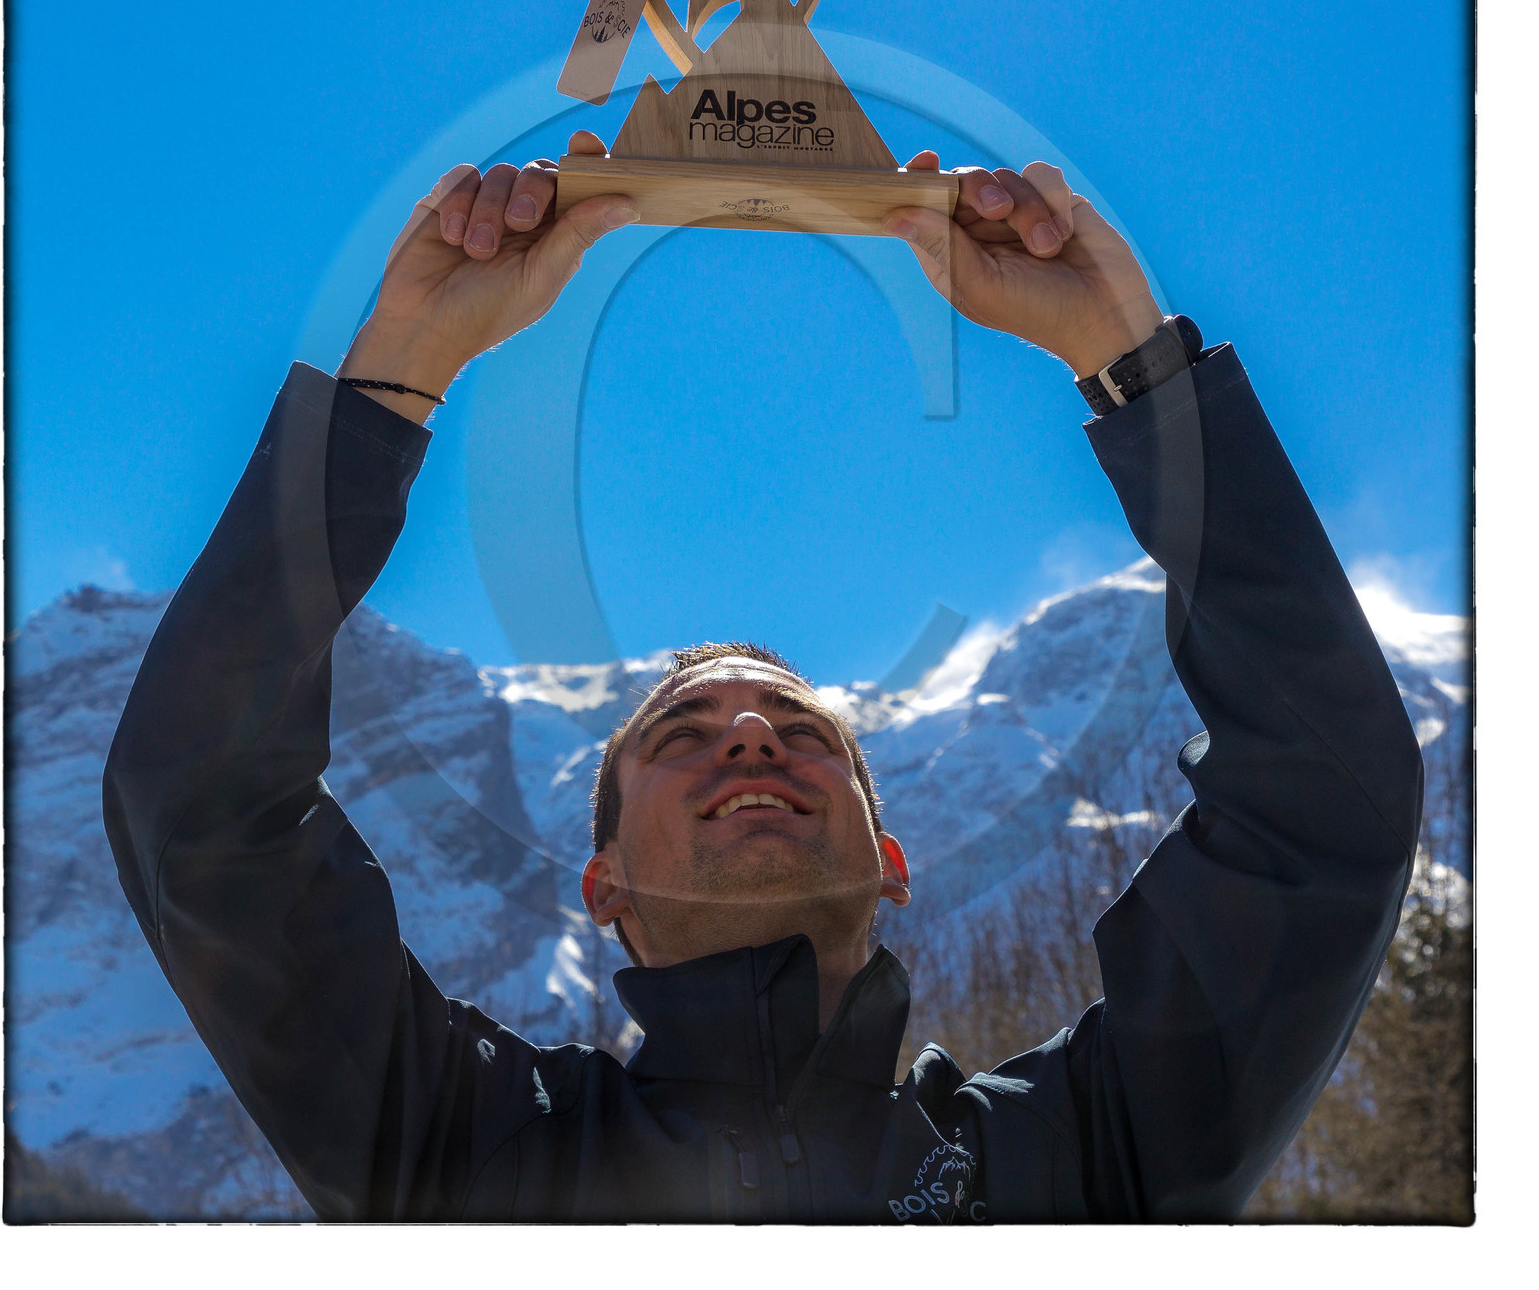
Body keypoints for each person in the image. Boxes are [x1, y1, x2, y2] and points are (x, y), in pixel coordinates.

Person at [103, 131, 1423, 1222]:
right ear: (601, 884)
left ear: (892, 860)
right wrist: (393, 377)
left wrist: (1139, 369)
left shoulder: (1082, 1156)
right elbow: (195, 810)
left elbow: (1331, 801)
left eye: (802, 728)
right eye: (682, 732)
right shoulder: (468, 1150)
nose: (748, 730)